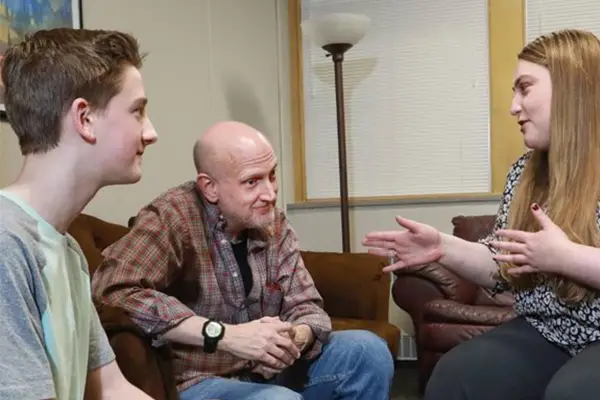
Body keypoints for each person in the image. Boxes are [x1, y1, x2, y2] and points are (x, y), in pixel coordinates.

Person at [363, 28, 600, 400]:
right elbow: (504, 265)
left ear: (571, 88)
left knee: (573, 392)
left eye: (525, 88)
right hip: (546, 330)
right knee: (458, 374)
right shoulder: (525, 172)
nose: (513, 107)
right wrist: (442, 246)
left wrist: (565, 257)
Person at [91, 120, 395, 400]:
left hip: (267, 370)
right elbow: (111, 290)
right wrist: (223, 335)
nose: (270, 193)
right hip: (199, 379)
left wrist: (296, 337)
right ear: (210, 187)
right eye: (252, 182)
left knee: (368, 351)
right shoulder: (172, 217)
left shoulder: (273, 223)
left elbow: (306, 306)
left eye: (272, 175)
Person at [0, 28, 158, 399]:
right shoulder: (7, 243)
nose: (151, 132)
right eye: (137, 111)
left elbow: (112, 389)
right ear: (84, 118)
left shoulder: (68, 253)